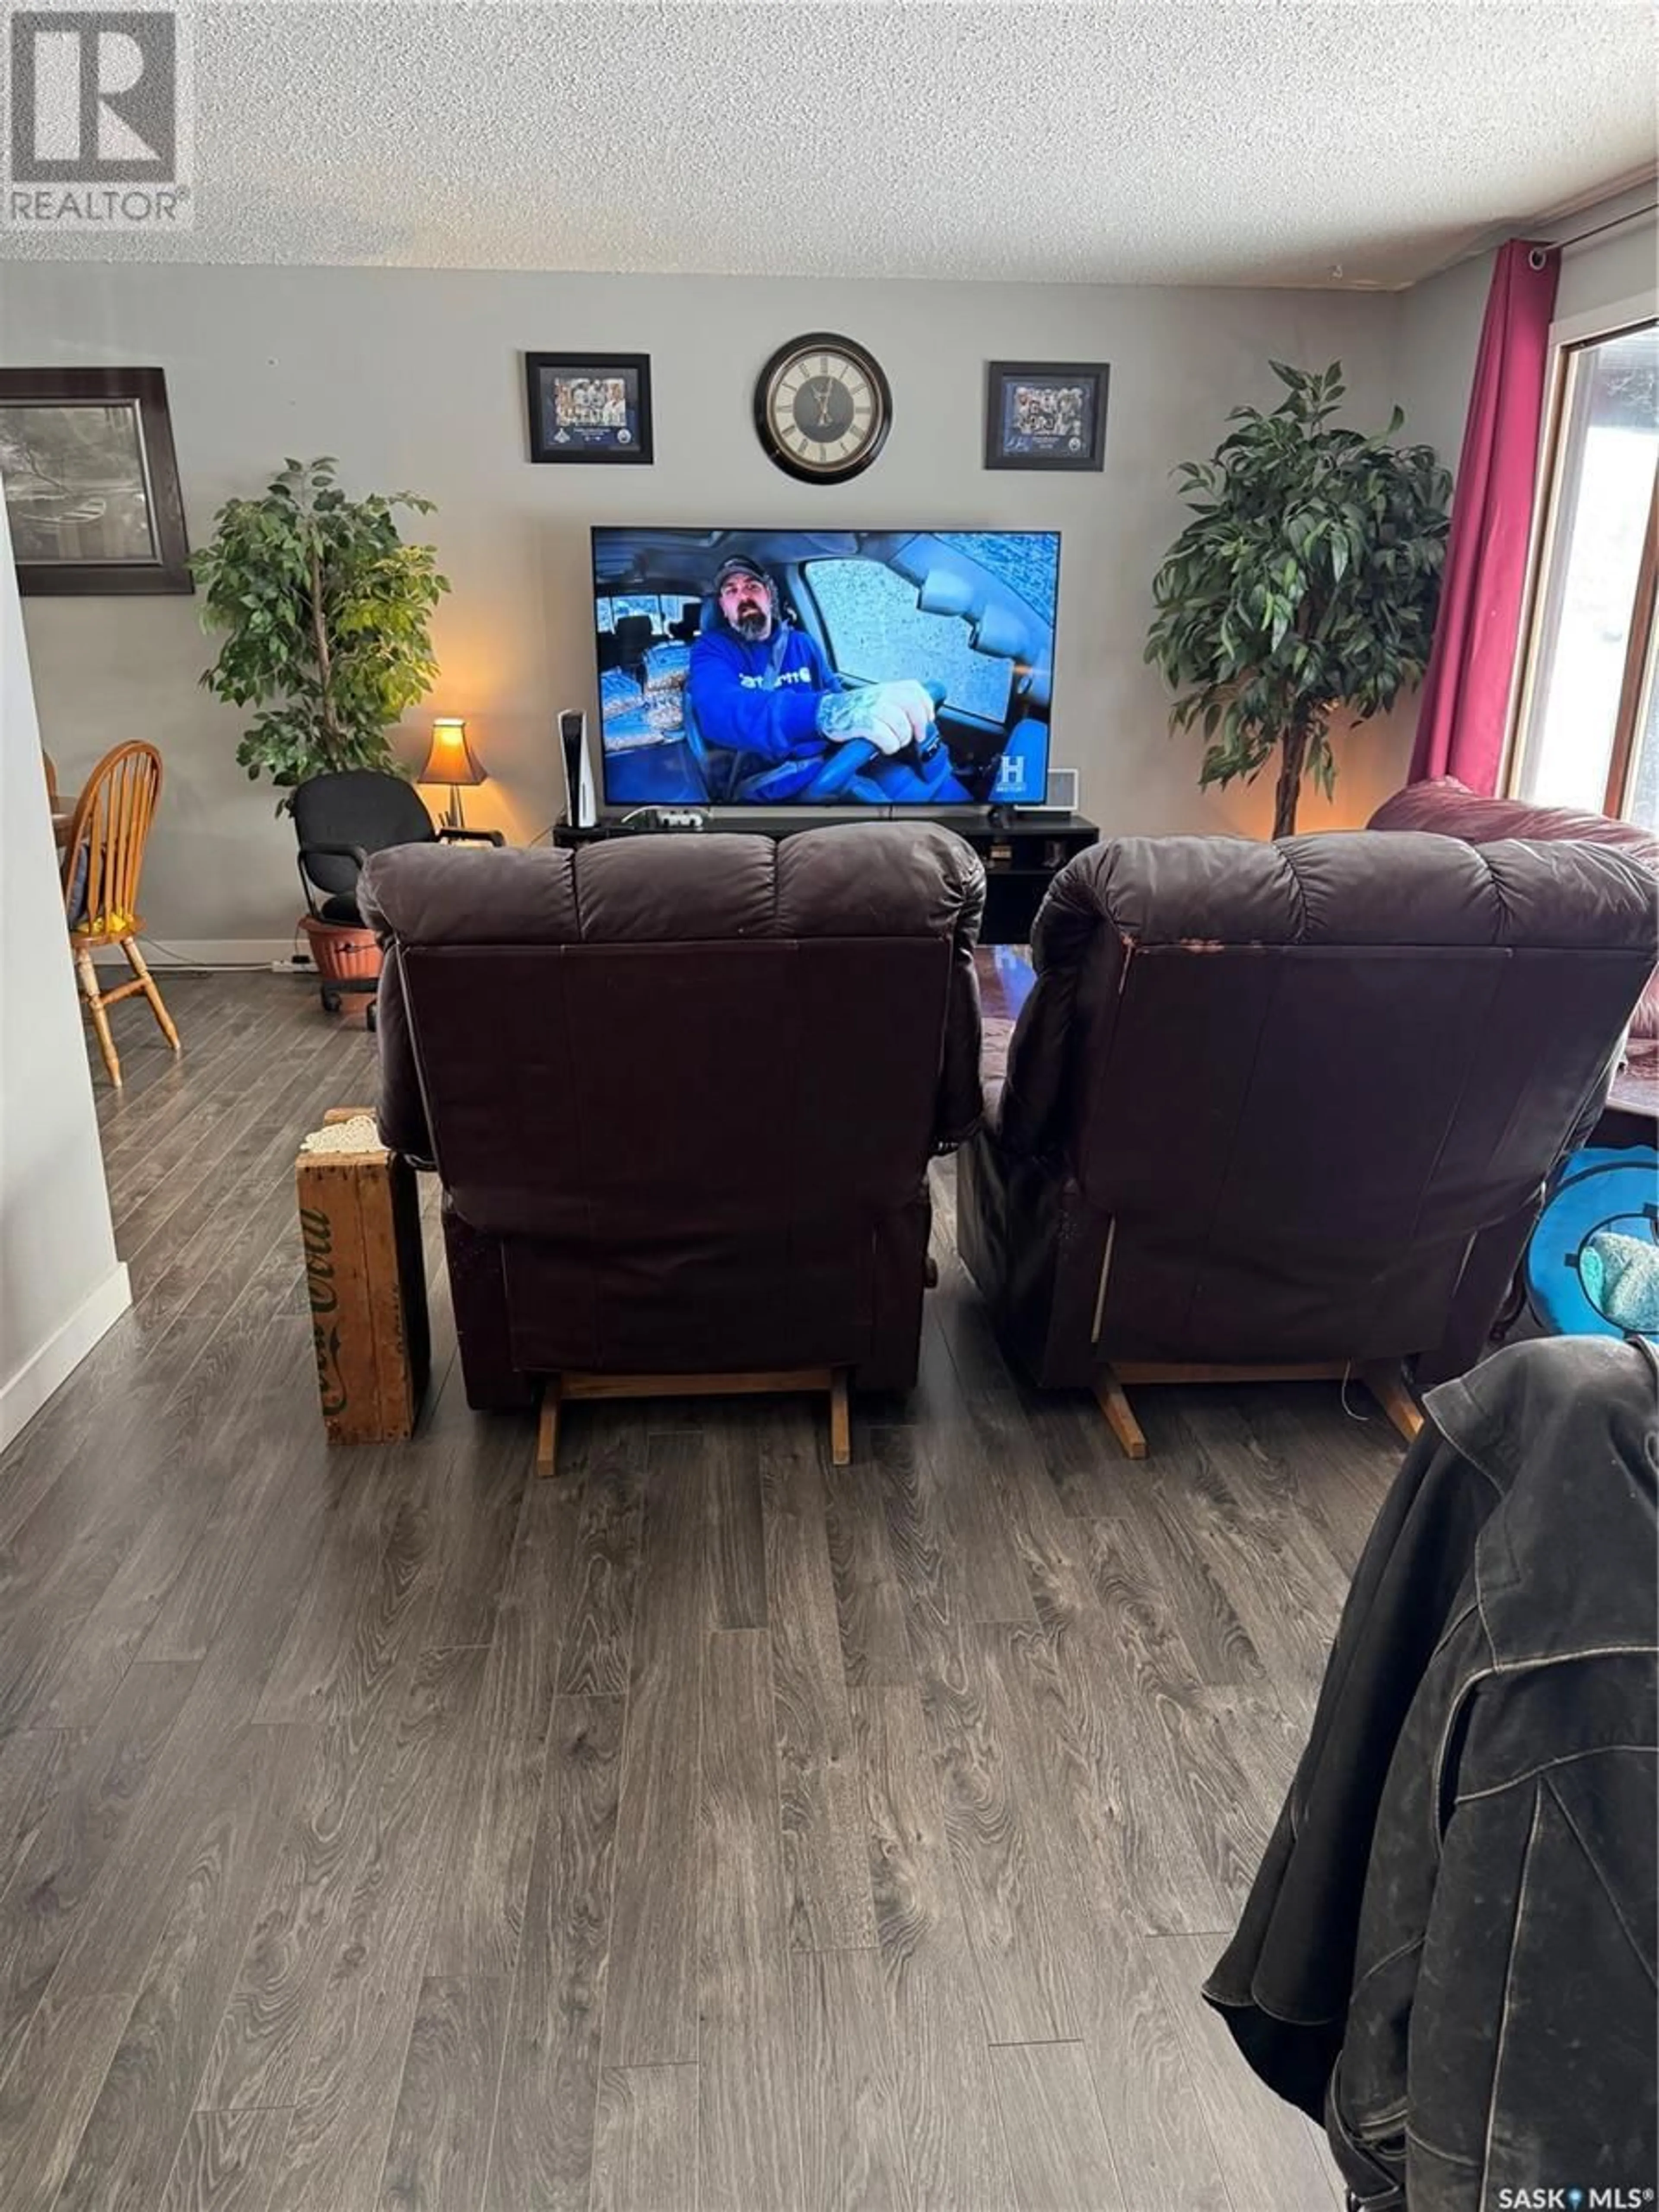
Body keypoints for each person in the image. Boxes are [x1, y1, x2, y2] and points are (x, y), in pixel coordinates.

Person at [686, 554, 951, 800]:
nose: (743, 597)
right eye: (731, 591)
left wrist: (863, 709)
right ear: (723, 605)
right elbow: (718, 710)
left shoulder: (802, 644)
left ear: (768, 594)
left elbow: (839, 696)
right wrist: (824, 713)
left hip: (837, 768)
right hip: (774, 790)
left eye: (752, 587)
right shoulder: (711, 649)